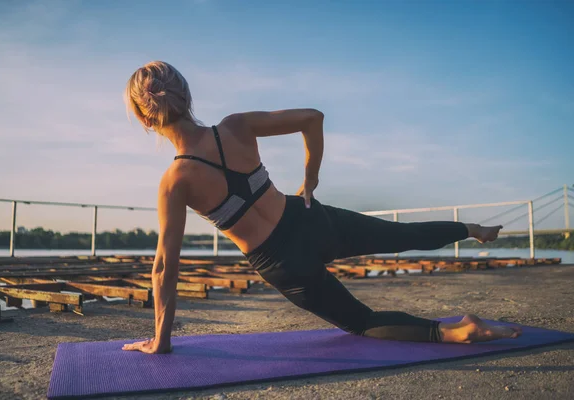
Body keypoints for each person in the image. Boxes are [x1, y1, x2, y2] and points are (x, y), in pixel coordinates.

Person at [122, 61, 521, 354]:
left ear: (144, 117)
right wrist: (310, 177)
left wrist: (161, 339)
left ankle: (457, 332)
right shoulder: (235, 126)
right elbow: (312, 118)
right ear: (187, 96)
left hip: (283, 263)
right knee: (406, 235)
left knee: (362, 322)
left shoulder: (175, 182)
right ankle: (471, 230)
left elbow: (163, 267)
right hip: (310, 218)